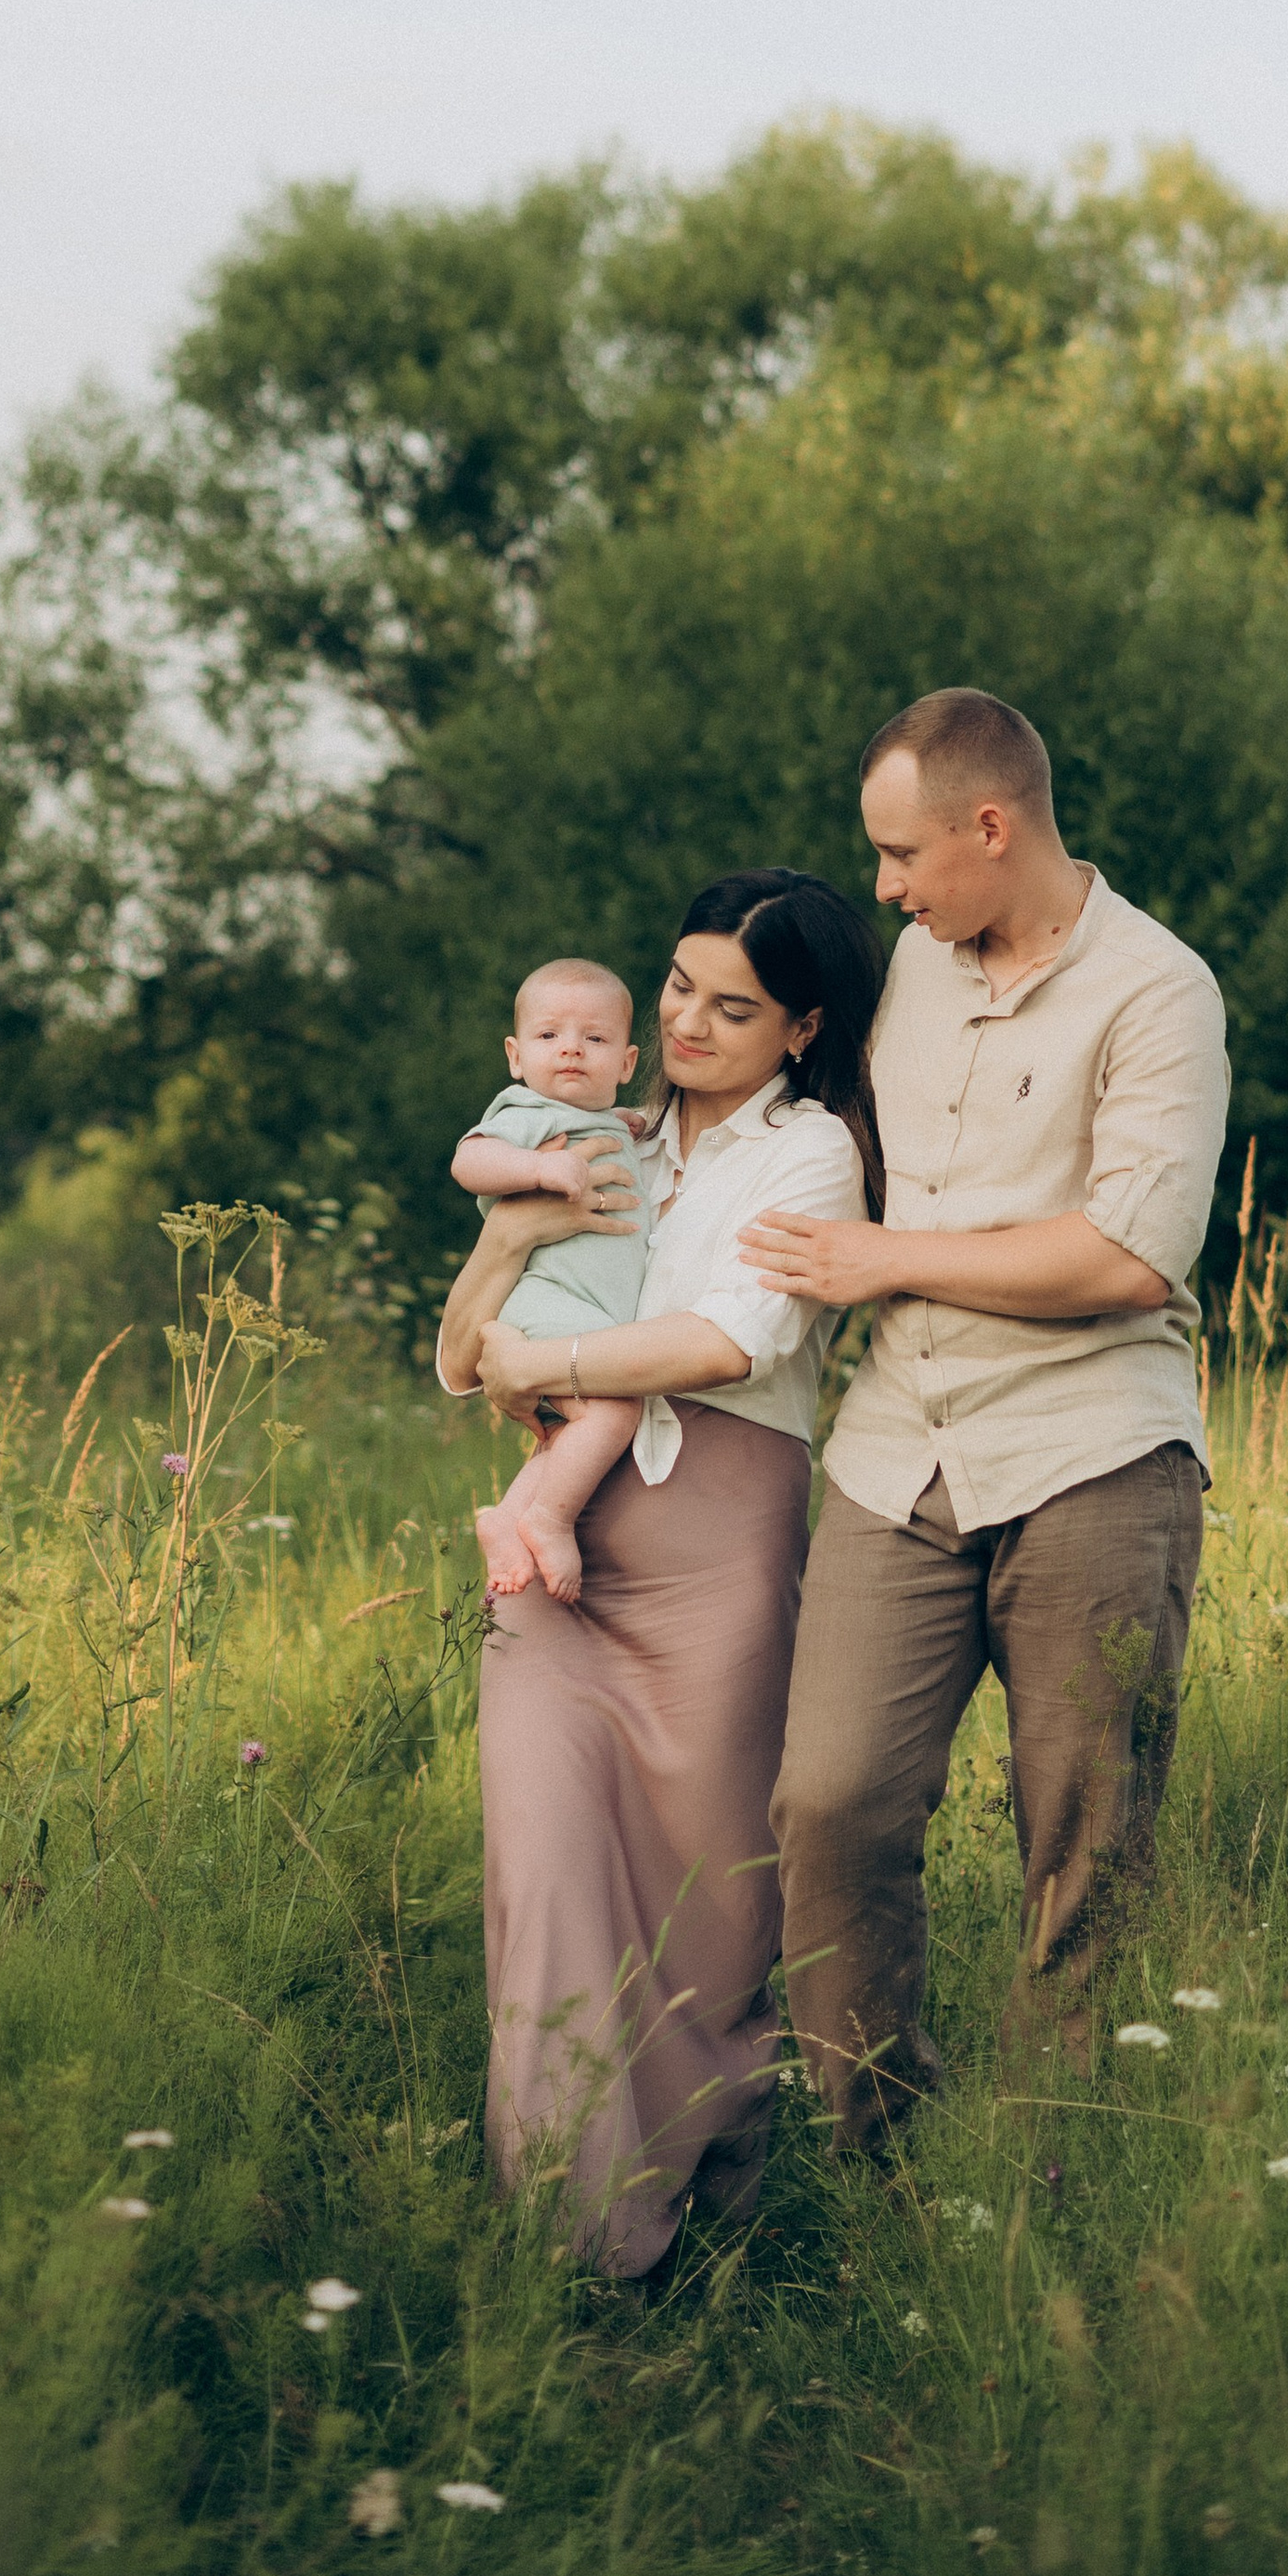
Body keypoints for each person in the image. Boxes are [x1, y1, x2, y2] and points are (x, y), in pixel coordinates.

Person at [741, 687, 1230, 2151]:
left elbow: (1130, 1257)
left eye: (903, 855)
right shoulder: (908, 965)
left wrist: (890, 1261)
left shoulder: (1158, 991)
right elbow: (797, 1112)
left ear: (990, 826)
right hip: (901, 1453)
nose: (886, 887)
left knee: (1083, 1841)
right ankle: (877, 2151)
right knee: (829, 1807)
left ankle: (1061, 2164)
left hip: (1094, 1453)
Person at [435, 871, 884, 2279]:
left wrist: (548, 1362)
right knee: (550, 1878)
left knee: (712, 1908)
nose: (688, 1021)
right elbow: (461, 1351)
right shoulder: (588, 1130)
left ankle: (719, 2226)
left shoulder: (809, 1156)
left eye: (732, 1005)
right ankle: (579, 2252)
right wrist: (506, 1276)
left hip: (717, 1559)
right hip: (560, 1554)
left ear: (800, 1027)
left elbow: (729, 1341)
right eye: (679, 987)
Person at [449, 956, 662, 1603]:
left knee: (570, 1431)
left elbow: (612, 1130)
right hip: (550, 1304)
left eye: (593, 1039)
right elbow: (470, 1159)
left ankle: (507, 1524)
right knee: (618, 1408)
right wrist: (539, 1172)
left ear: (625, 1064)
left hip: (582, 1310)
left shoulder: (601, 1122)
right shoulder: (526, 1110)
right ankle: (550, 1519)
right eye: (549, 1036)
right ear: (516, 1056)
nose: (570, 1047)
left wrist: (618, 1124)